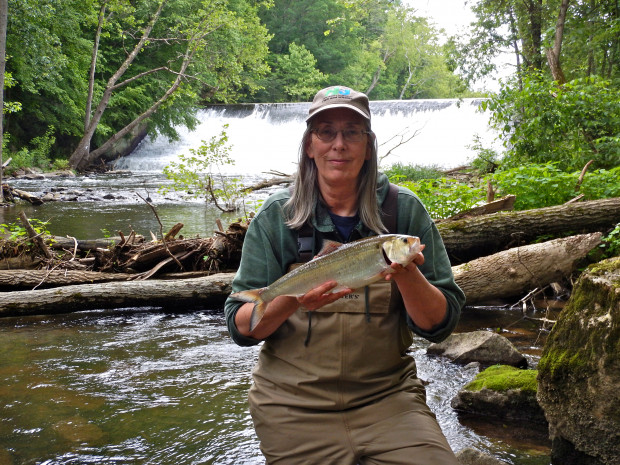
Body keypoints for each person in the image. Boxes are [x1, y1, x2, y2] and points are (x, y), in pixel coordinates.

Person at [224, 85, 465, 465]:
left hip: (388, 400)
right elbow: (241, 331)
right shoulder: (276, 215)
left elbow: (440, 325)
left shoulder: (403, 211)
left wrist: (404, 274)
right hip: (292, 407)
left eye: (352, 133)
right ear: (309, 145)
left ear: (367, 146)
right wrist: (292, 299)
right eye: (327, 132)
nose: (339, 144)